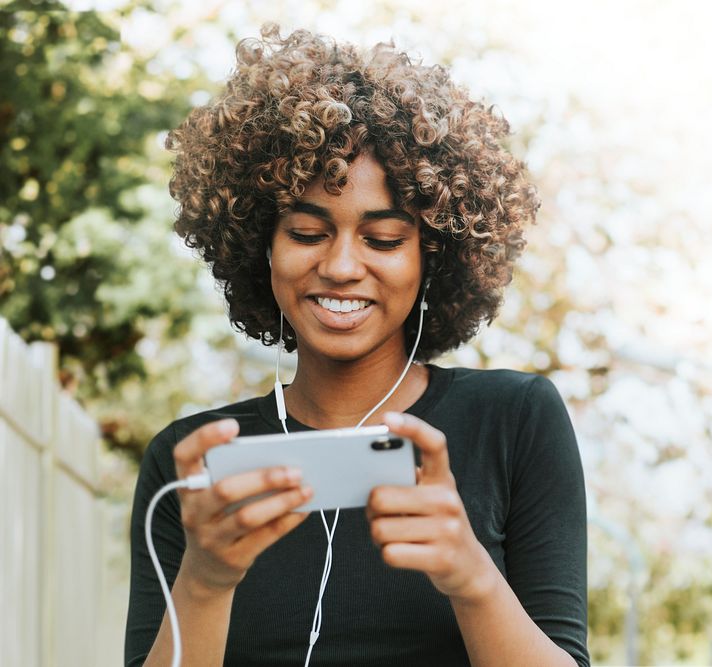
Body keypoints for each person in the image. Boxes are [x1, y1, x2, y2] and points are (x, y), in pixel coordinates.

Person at [124, 24, 589, 667]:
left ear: (433, 256)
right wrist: (204, 581)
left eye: (384, 239)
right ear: (261, 248)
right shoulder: (190, 463)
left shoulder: (515, 421)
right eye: (308, 231)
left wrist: (470, 575)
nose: (342, 266)